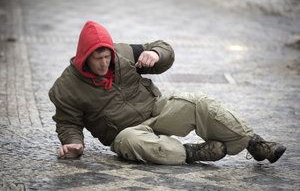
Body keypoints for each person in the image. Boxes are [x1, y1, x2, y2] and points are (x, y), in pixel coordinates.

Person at [49, 21, 286, 164]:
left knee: (198, 103)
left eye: (106, 56)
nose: (104, 63)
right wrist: (73, 143)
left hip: (155, 109)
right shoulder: (66, 87)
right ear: (84, 56)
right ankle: (191, 153)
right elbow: (67, 122)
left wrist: (156, 54)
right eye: (97, 58)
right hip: (126, 133)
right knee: (131, 141)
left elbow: (163, 48)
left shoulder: (122, 53)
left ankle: (253, 144)